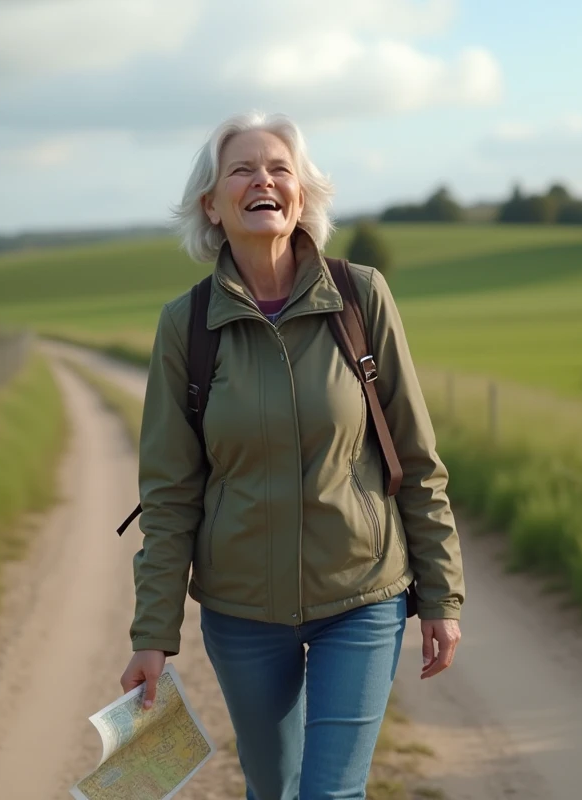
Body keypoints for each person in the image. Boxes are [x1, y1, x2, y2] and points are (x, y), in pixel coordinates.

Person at [119, 111, 465, 800]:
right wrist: (152, 633)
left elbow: (418, 458)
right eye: (241, 170)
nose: (263, 180)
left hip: (361, 593)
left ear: (301, 197)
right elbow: (170, 493)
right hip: (242, 608)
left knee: (328, 794)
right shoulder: (185, 325)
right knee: (273, 789)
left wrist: (442, 594)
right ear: (211, 206)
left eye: (279, 168)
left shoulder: (360, 296)